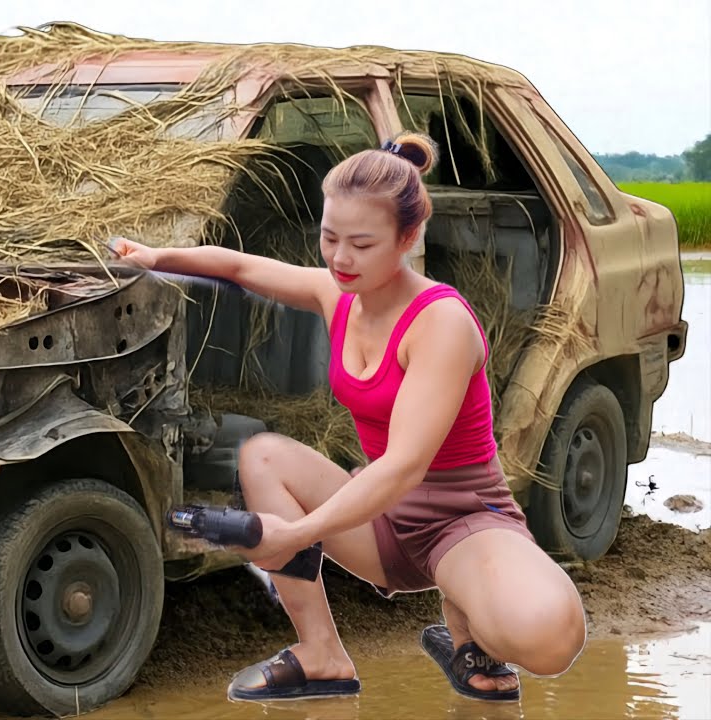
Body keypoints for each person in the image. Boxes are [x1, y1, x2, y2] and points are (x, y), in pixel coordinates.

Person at [106, 132, 586, 703]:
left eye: (360, 244)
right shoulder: (336, 292)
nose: (339, 258)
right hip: (382, 521)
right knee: (263, 455)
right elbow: (238, 266)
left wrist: (299, 532)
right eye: (329, 237)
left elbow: (407, 466)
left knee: (551, 639)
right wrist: (156, 258)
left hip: (463, 519)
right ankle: (322, 653)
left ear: (408, 237)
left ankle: (465, 628)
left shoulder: (441, 323)